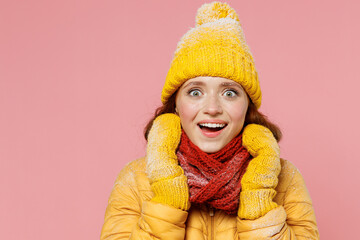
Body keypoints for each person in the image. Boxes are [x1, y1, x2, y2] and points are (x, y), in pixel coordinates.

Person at [100, 2, 319, 239]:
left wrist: (259, 196)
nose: (212, 109)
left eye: (229, 93)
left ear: (247, 106)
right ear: (176, 104)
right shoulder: (135, 180)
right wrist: (167, 196)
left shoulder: (285, 179)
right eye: (195, 92)